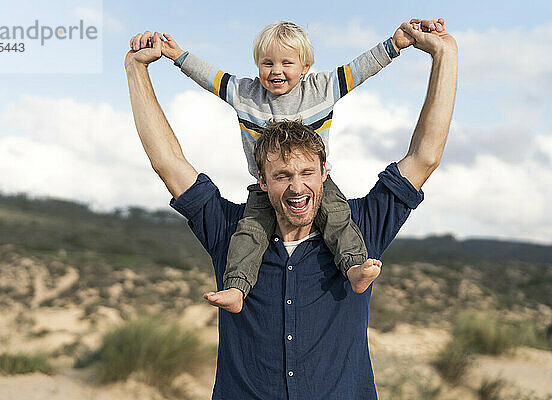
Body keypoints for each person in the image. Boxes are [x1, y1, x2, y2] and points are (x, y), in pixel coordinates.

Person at [125, 17, 457, 399]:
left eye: (306, 172)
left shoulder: (359, 227)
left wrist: (445, 55)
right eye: (282, 175)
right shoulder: (232, 231)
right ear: (262, 182)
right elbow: (168, 162)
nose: (297, 187)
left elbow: (425, 156)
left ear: (324, 172)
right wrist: (137, 69)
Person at [130, 20, 418, 313]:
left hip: (317, 185)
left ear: (306, 66)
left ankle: (354, 268)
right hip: (266, 187)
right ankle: (236, 287)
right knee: (250, 231)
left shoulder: (322, 89)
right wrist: (177, 55)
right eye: (267, 63)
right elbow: (210, 77)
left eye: (286, 63)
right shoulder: (245, 94)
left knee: (337, 217)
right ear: (257, 65)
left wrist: (393, 45)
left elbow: (361, 68)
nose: (276, 70)